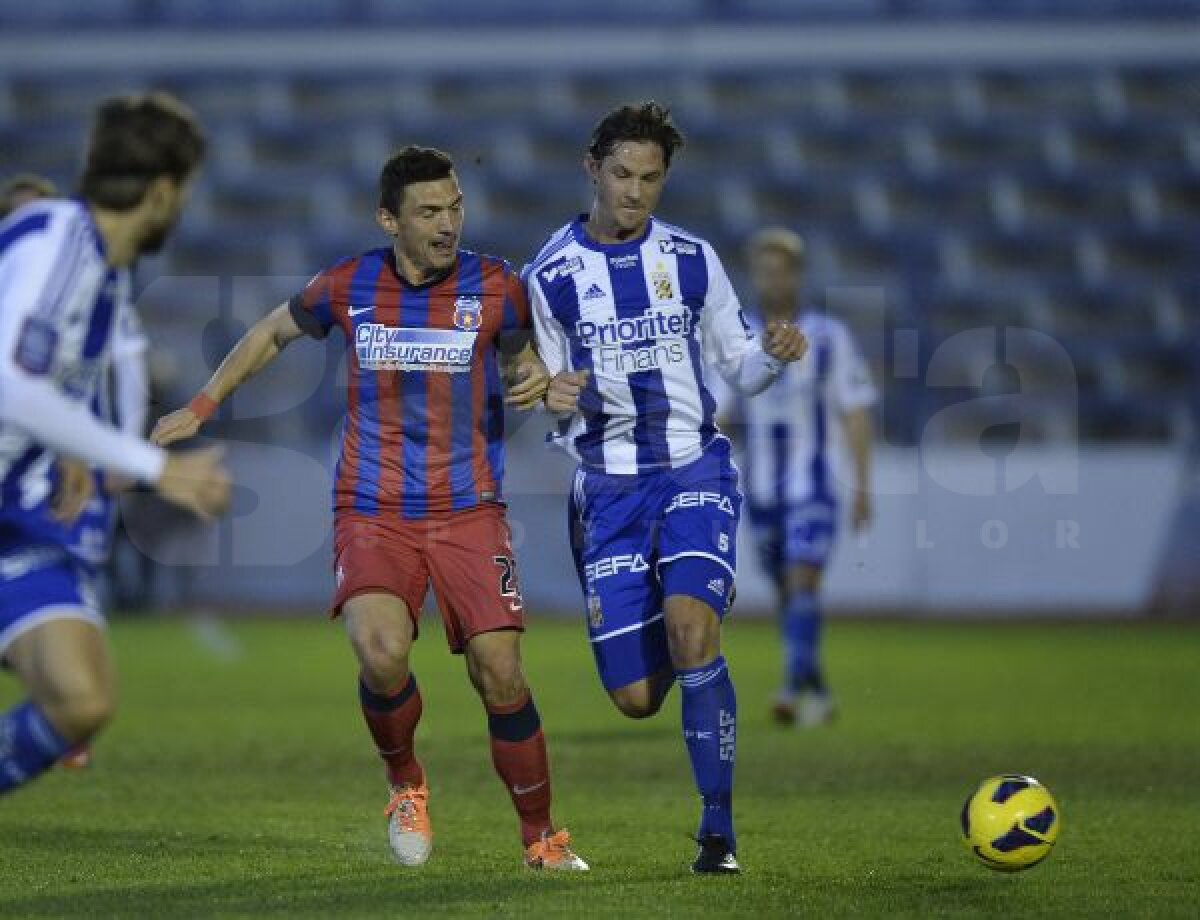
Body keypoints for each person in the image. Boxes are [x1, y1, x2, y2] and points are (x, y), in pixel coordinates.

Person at [152, 146, 589, 872]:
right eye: (428, 211)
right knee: (382, 653)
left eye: (455, 207)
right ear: (389, 218)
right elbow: (270, 333)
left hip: (470, 509)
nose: (447, 223)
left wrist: (535, 375)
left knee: (501, 672)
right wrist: (204, 404)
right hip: (372, 508)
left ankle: (539, 837)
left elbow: (525, 357)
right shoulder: (349, 284)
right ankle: (406, 782)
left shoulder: (498, 286)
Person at [525, 102, 808, 874]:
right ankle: (682, 620)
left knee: (692, 631)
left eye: (651, 177)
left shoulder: (691, 257)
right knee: (637, 698)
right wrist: (551, 398)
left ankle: (717, 835)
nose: (636, 191)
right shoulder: (548, 276)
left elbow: (739, 365)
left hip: (693, 469)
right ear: (592, 168)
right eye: (622, 173)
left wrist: (774, 356)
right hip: (609, 495)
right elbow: (547, 402)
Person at [0, 93, 232, 796]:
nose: (181, 206)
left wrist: (76, 445)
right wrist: (149, 464)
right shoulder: (61, 242)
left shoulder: (101, 266)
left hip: (15, 512)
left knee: (82, 698)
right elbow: (10, 384)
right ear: (162, 191)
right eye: (184, 190)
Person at [1, 173, 152, 770]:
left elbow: (129, 358)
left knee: (66, 576)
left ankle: (60, 699)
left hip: (66, 467)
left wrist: (121, 443)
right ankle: (58, 696)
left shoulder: (95, 282)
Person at [726, 228, 876, 727]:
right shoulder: (738, 334)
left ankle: (791, 688)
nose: (773, 278)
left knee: (803, 579)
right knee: (788, 594)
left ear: (797, 275)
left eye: (782, 269)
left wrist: (862, 486)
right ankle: (818, 689)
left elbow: (855, 411)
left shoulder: (830, 337)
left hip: (814, 485)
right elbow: (720, 414)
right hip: (761, 488)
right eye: (765, 270)